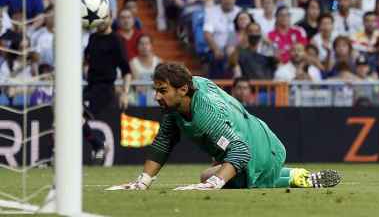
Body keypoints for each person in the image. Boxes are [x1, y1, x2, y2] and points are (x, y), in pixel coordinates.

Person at [107, 62, 340, 191]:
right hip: (256, 134)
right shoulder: (184, 95)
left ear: (183, 90)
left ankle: (292, 177)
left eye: (162, 90)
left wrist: (214, 184)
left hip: (261, 148)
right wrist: (143, 182)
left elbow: (241, 150)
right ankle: (290, 176)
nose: (156, 96)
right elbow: (164, 141)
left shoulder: (205, 115)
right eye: (156, 90)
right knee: (214, 171)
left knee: (210, 176)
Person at [84, 16, 132, 165]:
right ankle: (98, 145)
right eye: (98, 18)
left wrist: (124, 92)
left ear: (111, 19)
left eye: (104, 18)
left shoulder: (116, 40)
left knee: (75, 114)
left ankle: (98, 145)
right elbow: (86, 59)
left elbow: (126, 70)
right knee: (72, 116)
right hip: (90, 86)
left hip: (105, 88)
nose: (101, 21)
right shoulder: (92, 38)